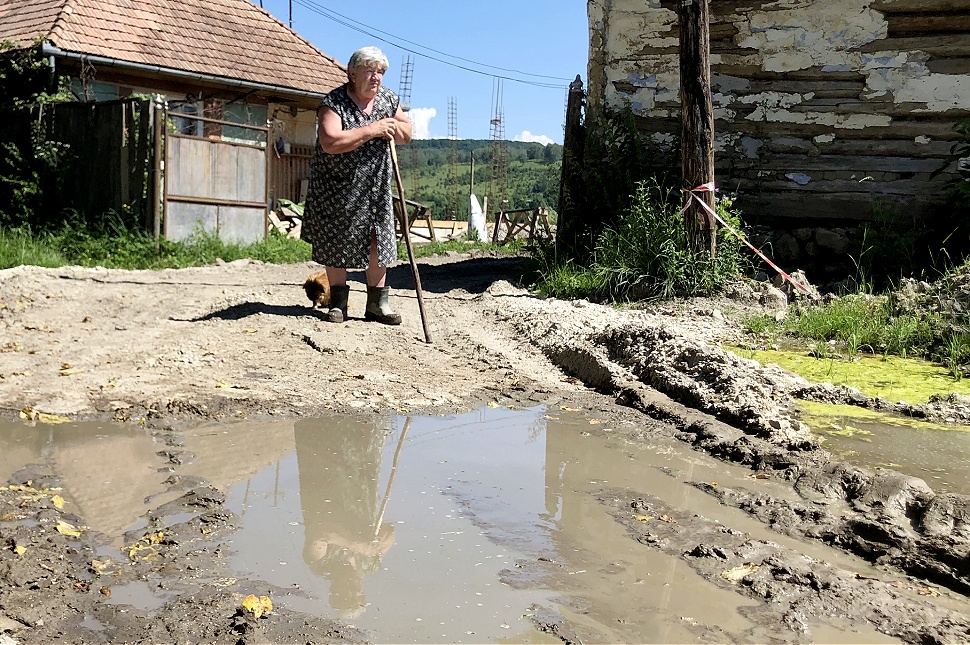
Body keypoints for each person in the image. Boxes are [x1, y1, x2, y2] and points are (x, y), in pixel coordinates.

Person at [303, 46, 412, 325]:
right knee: (336, 239)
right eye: (369, 71)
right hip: (337, 184)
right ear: (352, 74)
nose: (376, 77)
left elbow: (406, 134)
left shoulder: (388, 99)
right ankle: (338, 304)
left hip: (375, 185)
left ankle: (377, 305)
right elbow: (330, 141)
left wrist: (395, 127)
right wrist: (372, 130)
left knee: (378, 238)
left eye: (380, 72)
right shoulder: (334, 102)